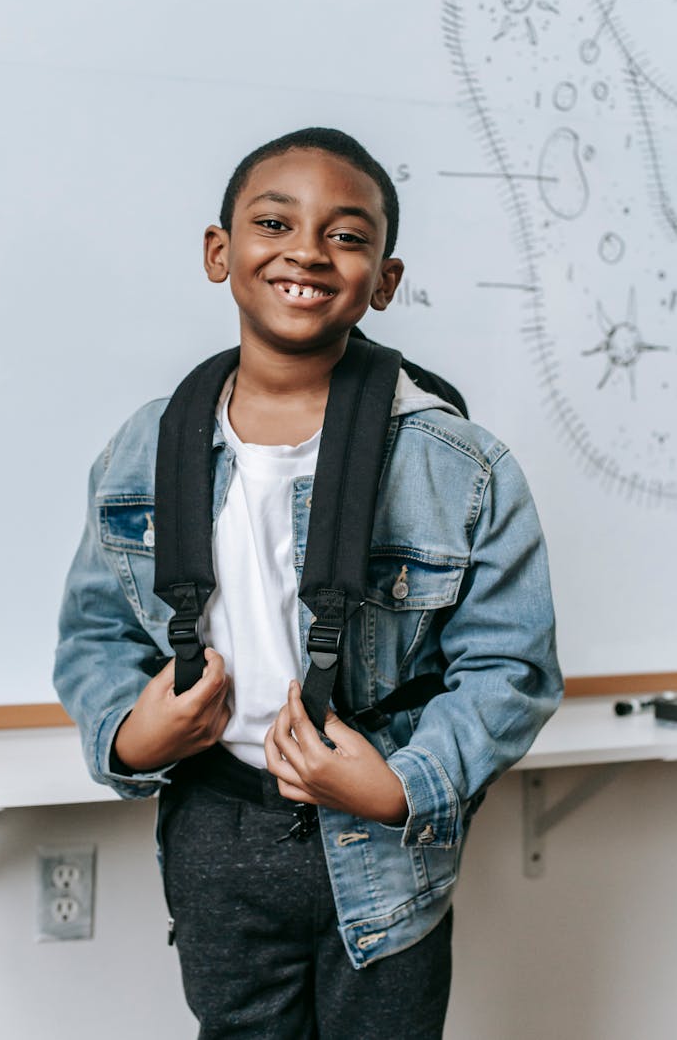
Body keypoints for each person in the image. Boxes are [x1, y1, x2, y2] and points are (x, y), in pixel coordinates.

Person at [54, 127, 562, 1038]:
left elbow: (512, 668)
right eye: (274, 221)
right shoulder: (142, 449)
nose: (307, 251)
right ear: (221, 251)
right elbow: (95, 636)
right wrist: (132, 735)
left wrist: (403, 787)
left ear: (386, 280)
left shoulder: (461, 464)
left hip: (382, 844)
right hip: (214, 828)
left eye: (348, 234)